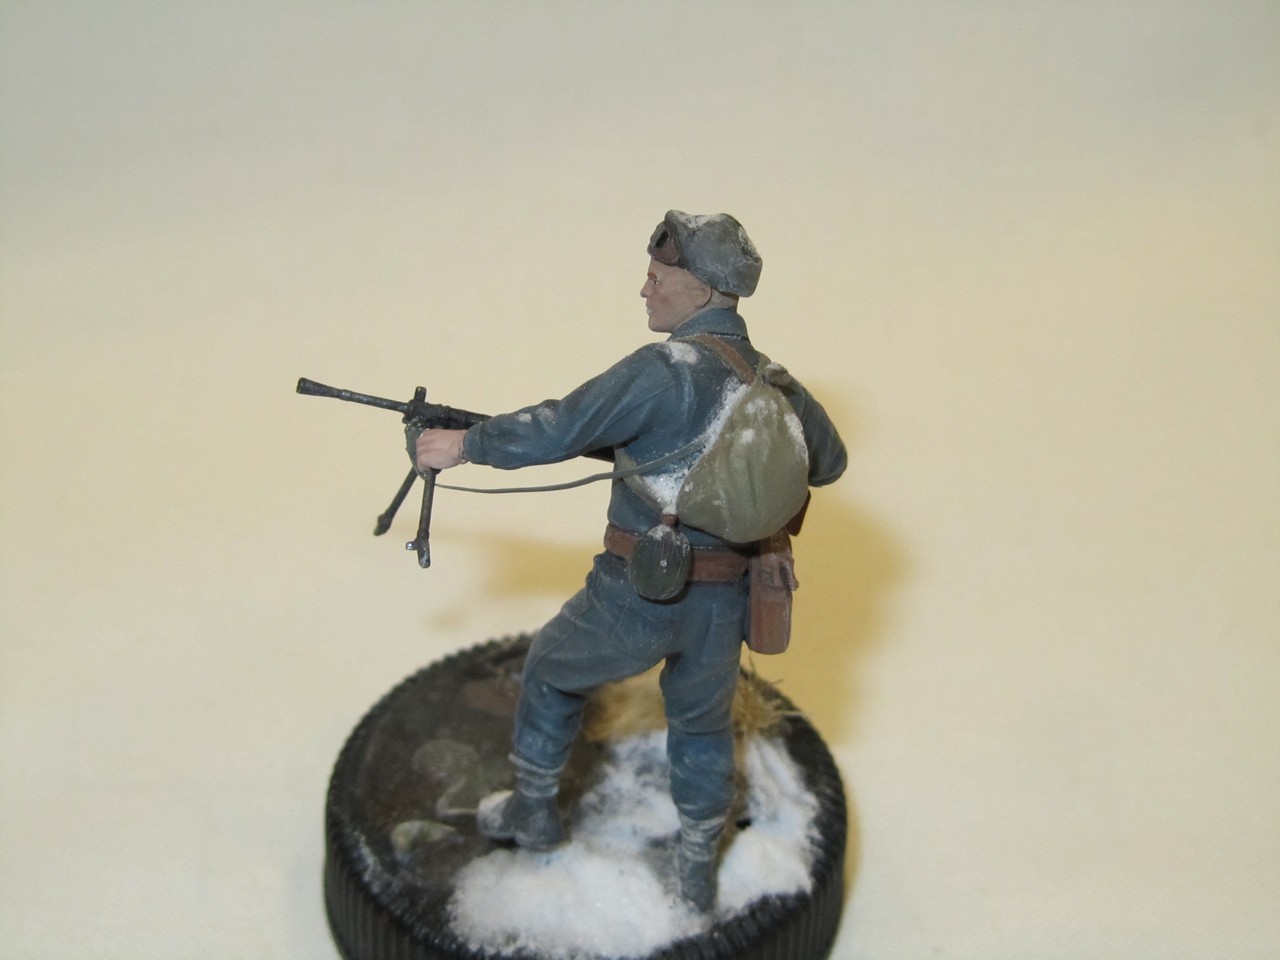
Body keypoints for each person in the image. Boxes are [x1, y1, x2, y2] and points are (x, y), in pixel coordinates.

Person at [415, 210, 846, 912]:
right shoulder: (778, 383)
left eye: (656, 277)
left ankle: (534, 813)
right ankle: (698, 867)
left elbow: (560, 426)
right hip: (725, 603)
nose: (645, 290)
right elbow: (828, 462)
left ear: (701, 291)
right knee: (703, 725)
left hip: (637, 595)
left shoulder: (662, 371)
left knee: (548, 671)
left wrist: (463, 446)